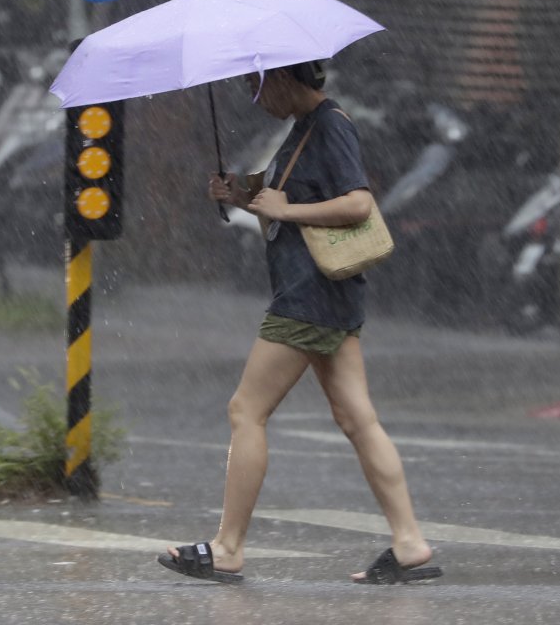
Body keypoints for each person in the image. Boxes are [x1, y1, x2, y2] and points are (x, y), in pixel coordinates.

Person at [157, 61, 442, 585]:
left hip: (308, 298)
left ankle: (228, 547)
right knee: (357, 418)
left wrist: (287, 213)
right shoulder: (305, 129)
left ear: (284, 78)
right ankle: (409, 543)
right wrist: (239, 194)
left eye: (255, 84)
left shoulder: (332, 125)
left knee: (246, 409)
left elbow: (358, 203)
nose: (252, 96)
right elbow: (284, 195)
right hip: (326, 298)